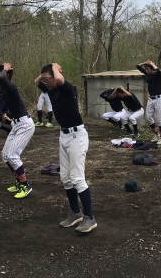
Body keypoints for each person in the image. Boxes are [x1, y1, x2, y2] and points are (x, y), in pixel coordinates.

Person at [35, 63, 97, 233]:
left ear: (55, 77)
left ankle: (89, 218)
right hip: (64, 135)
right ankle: (75, 213)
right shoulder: (50, 90)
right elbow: (36, 82)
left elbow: (60, 80)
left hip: (77, 135)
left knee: (77, 177)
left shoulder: (67, 88)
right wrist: (46, 75)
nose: (45, 82)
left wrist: (56, 69)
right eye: (45, 80)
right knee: (65, 177)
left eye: (48, 79)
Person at [0, 63, 35, 198]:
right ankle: (19, 182)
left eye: (0, 73)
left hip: (25, 125)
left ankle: (25, 185)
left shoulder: (11, 86)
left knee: (13, 156)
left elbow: (2, 78)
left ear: (6, 76)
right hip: (16, 124)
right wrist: (2, 69)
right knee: (5, 155)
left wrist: (6, 69)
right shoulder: (2, 86)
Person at [137, 60, 161, 144]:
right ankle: (156, 134)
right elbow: (138, 66)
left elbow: (158, 71)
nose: (146, 70)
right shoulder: (147, 75)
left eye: (148, 69)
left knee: (159, 118)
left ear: (152, 69)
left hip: (158, 98)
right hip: (151, 98)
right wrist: (144, 63)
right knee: (148, 117)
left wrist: (152, 64)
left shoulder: (157, 74)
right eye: (145, 69)